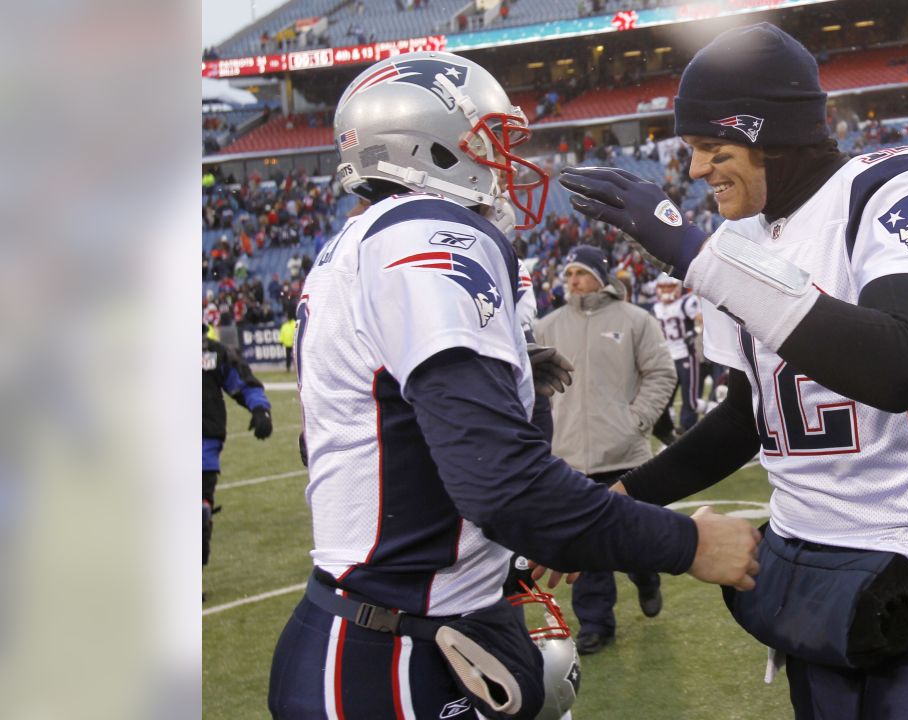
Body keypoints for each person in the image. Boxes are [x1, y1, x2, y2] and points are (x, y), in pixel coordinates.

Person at [267, 52, 760, 720]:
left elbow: (406, 460)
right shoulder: (428, 239)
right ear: (429, 144)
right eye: (489, 139)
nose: (505, 162)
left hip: (396, 625)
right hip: (393, 653)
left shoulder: (361, 244)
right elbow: (503, 484)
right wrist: (690, 544)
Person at [559, 23, 908, 719]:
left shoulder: (901, 187)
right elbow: (744, 420)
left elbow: (898, 367)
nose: (698, 170)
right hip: (800, 561)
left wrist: (700, 260)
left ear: (769, 135)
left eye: (714, 148)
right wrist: (615, 503)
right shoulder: (739, 239)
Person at [532, 245, 677, 655]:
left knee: (636, 540)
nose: (572, 281)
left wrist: (636, 421)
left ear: (601, 276)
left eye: (580, 272)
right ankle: (596, 624)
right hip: (569, 457)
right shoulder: (547, 326)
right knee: (585, 548)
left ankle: (646, 576)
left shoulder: (635, 320)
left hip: (626, 457)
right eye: (568, 274)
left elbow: (660, 373)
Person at [202, 325, 272, 572]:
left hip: (203, 445)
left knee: (198, 512)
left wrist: (259, 408)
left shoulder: (212, 353)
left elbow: (242, 382)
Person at [651, 272, 703, 438]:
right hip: (666, 359)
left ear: (677, 288)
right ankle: (668, 429)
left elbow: (701, 319)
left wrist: (696, 330)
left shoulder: (687, 302)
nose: (666, 290)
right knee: (665, 397)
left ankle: (688, 429)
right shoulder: (656, 308)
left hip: (685, 355)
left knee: (690, 399)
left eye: (669, 286)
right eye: (663, 286)